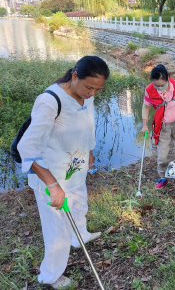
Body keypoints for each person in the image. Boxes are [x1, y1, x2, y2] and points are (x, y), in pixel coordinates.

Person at [17, 56, 110, 289]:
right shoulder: (50, 101)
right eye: (89, 87)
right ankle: (50, 276)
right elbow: (26, 147)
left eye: (98, 90)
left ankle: (80, 237)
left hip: (74, 170)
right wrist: (52, 185)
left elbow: (88, 124)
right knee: (56, 230)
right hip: (53, 176)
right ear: (75, 75)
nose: (92, 93)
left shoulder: (86, 98)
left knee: (80, 206)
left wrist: (89, 150)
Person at [141, 64, 175, 189]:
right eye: (156, 85)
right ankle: (162, 176)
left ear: (168, 78)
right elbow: (146, 106)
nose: (160, 88)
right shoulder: (149, 90)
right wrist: (144, 125)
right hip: (162, 127)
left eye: (162, 85)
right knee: (162, 156)